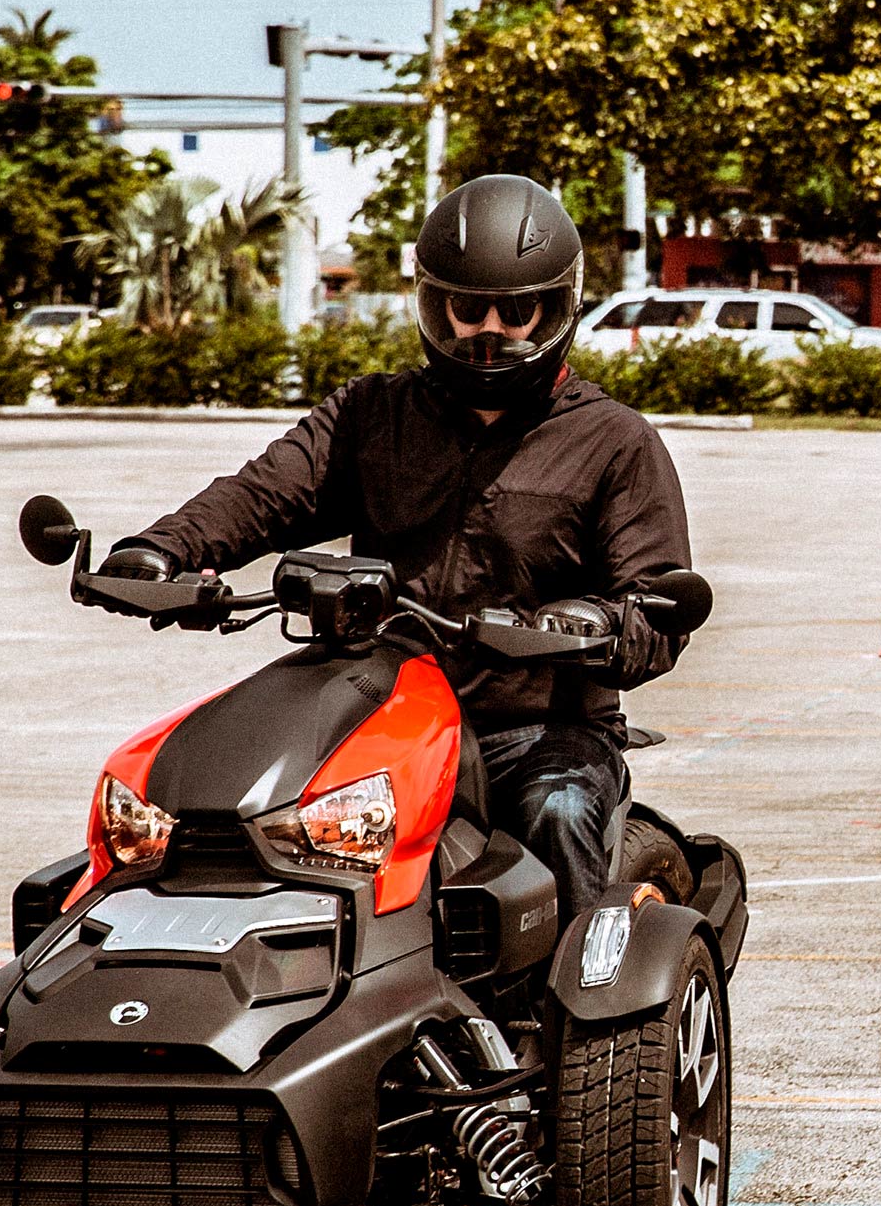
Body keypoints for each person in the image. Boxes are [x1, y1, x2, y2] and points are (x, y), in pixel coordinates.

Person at [94, 173, 692, 911]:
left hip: (531, 730)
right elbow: (264, 493)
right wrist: (162, 550)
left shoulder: (612, 440)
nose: (489, 329)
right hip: (377, 712)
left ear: (558, 307)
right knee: (214, 798)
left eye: (516, 309)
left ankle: (577, 1021)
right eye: (467, 309)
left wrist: (596, 624)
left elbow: (655, 604)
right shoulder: (370, 414)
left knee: (558, 813)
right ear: (434, 304)